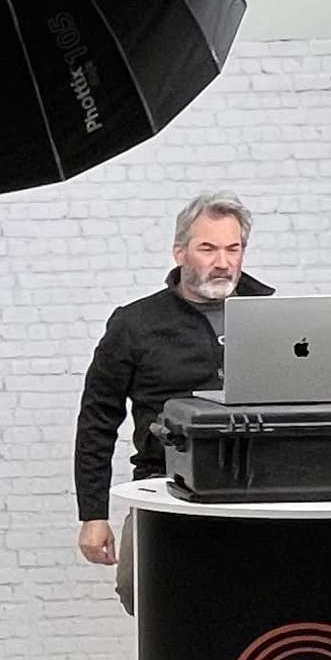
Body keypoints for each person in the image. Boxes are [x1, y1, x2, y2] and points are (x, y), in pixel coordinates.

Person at [74, 192, 272, 602]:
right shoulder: (134, 324)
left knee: (256, 600)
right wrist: (93, 514)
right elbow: (97, 421)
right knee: (139, 591)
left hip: (258, 488)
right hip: (165, 485)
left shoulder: (273, 316)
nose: (223, 261)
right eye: (208, 248)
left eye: (233, 248)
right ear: (180, 251)